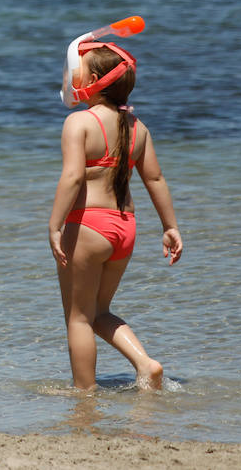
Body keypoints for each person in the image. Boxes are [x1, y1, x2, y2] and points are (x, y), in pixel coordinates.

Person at [48, 40, 183, 391]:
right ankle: (145, 363)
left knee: (78, 318)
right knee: (98, 313)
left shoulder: (79, 123)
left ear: (92, 78)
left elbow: (73, 176)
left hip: (88, 225)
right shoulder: (138, 127)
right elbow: (154, 178)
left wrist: (55, 224)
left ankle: (84, 395)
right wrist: (170, 226)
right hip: (124, 228)